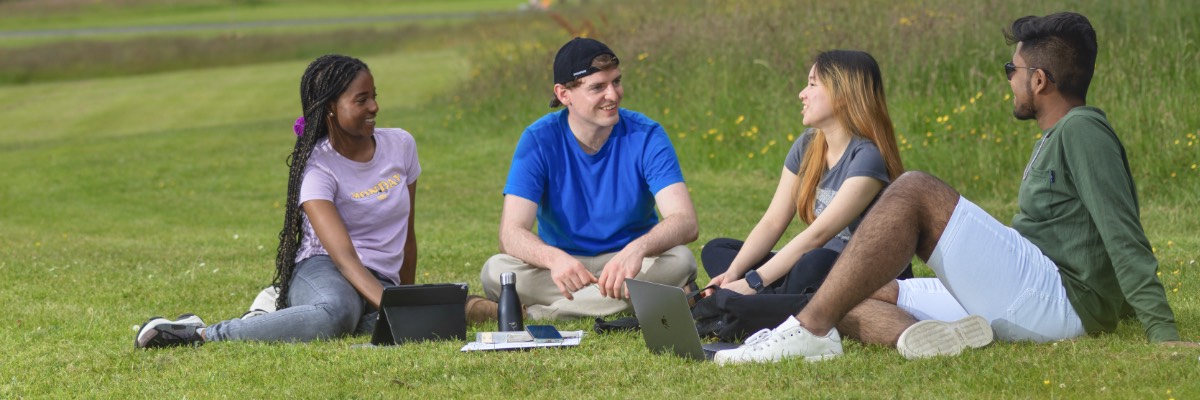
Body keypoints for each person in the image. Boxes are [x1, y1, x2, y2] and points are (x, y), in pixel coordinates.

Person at [713, 12, 1189, 365]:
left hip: (1057, 297)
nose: (1010, 81)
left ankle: (807, 332)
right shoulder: (1056, 138)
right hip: (1031, 287)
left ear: (1039, 80)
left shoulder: (1084, 131)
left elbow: (1122, 233)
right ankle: (936, 339)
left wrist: (1163, 332)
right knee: (852, 288)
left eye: (1013, 70)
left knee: (915, 188)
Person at [135, 54, 421, 348]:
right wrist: (400, 310)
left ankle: (267, 313)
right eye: (361, 100)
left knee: (371, 326)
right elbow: (345, 259)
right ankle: (202, 334)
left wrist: (409, 300)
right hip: (325, 266)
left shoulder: (400, 145)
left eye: (374, 96)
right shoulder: (317, 169)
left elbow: (407, 235)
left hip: (379, 276)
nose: (374, 106)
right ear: (331, 109)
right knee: (336, 315)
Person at [469, 37, 699, 321]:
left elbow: (685, 221)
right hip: (564, 268)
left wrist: (636, 249)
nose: (613, 95)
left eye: (616, 82)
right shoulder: (538, 139)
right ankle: (646, 299)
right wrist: (553, 259)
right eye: (598, 87)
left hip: (629, 264)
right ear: (564, 94)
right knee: (495, 270)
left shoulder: (647, 135)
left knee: (680, 261)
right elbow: (511, 234)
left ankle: (535, 315)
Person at [701, 50, 917, 299]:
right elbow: (772, 221)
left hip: (858, 274)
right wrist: (733, 275)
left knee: (814, 261)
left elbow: (818, 235)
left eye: (812, 84)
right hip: (813, 270)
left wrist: (753, 283)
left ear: (842, 94)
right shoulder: (807, 147)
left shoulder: (867, 157)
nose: (801, 94)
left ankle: (764, 303)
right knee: (717, 250)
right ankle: (775, 300)